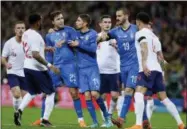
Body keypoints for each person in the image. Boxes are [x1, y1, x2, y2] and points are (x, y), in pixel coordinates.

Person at [126, 12, 185, 129]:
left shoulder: (140, 33)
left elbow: (144, 48)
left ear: (138, 22)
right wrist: (162, 73)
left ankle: (138, 125)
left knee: (138, 94)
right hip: (157, 70)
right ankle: (181, 124)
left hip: (147, 69)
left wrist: (143, 64)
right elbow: (161, 58)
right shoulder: (155, 37)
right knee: (164, 98)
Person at [34, 10, 86, 128]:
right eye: (58, 19)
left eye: (62, 18)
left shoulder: (70, 30)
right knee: (47, 92)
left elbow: (77, 42)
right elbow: (49, 53)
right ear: (52, 22)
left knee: (74, 93)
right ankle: (43, 119)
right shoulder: (49, 35)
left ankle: (81, 120)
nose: (61, 20)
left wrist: (74, 42)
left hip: (70, 66)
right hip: (55, 67)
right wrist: (48, 66)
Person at [98, 7, 142, 128]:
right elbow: (103, 37)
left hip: (135, 65)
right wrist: (96, 39)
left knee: (130, 91)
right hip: (122, 67)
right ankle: (144, 121)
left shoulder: (136, 28)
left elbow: (148, 37)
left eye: (119, 16)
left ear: (126, 16)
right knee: (127, 93)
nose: (117, 18)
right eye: (116, 16)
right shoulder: (115, 31)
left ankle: (121, 118)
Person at [14, 13, 59, 127]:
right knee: (51, 92)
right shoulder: (35, 35)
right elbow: (35, 54)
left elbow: (31, 49)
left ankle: (19, 110)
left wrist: (45, 48)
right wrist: (50, 65)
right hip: (38, 68)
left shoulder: (26, 34)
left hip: (27, 66)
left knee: (33, 92)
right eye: (41, 20)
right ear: (38, 22)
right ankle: (45, 119)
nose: (42, 22)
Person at [69, 14, 113, 128]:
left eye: (79, 21)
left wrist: (79, 44)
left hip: (91, 67)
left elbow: (93, 49)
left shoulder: (92, 33)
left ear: (85, 23)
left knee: (94, 94)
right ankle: (95, 122)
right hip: (80, 69)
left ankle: (107, 118)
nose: (76, 22)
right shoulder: (76, 34)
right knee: (87, 96)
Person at [96, 15, 120, 126]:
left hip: (114, 70)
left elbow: (124, 52)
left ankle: (109, 116)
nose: (107, 24)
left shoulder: (116, 38)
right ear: (100, 24)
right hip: (100, 71)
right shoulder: (96, 38)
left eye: (109, 22)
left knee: (115, 96)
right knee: (102, 96)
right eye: (105, 22)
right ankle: (106, 120)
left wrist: (117, 47)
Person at [1, 21, 27, 124]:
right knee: (17, 94)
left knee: (23, 96)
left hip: (25, 72)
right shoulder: (9, 43)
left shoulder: (28, 42)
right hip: (13, 71)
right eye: (18, 28)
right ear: (15, 30)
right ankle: (17, 113)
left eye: (23, 28)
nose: (21, 30)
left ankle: (18, 112)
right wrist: (6, 64)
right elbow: (3, 58)